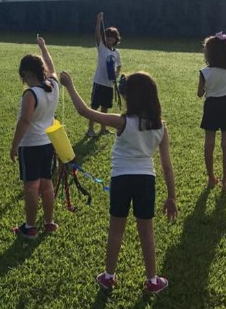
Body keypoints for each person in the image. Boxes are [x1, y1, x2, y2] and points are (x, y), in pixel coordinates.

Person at [59, 70, 177, 294]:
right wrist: (171, 196)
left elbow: (85, 111)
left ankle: (108, 276)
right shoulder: (160, 127)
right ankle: (152, 280)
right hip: (146, 181)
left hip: (122, 180)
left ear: (130, 98)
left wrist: (69, 85)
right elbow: (167, 166)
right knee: (147, 232)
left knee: (116, 230)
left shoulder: (121, 122)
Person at [10, 36, 59, 238]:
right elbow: (51, 66)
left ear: (27, 73)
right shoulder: (54, 85)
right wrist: (43, 46)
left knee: (31, 187)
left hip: (31, 146)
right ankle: (49, 222)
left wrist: (14, 146)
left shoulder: (31, 94)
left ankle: (30, 227)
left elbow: (24, 122)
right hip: (48, 144)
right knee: (47, 184)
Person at [197, 21, 226, 189]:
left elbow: (200, 94)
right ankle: (224, 181)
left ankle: (211, 178)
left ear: (210, 54)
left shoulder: (204, 72)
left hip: (211, 106)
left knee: (209, 143)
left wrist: (206, 85)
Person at [87, 12, 122, 137]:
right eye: (107, 37)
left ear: (116, 40)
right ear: (104, 37)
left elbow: (119, 65)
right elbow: (96, 35)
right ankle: (90, 129)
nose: (109, 39)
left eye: (112, 37)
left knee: (105, 108)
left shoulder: (116, 52)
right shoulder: (101, 47)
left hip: (109, 84)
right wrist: (98, 22)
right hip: (99, 82)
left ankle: (103, 129)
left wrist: (116, 74)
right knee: (94, 107)